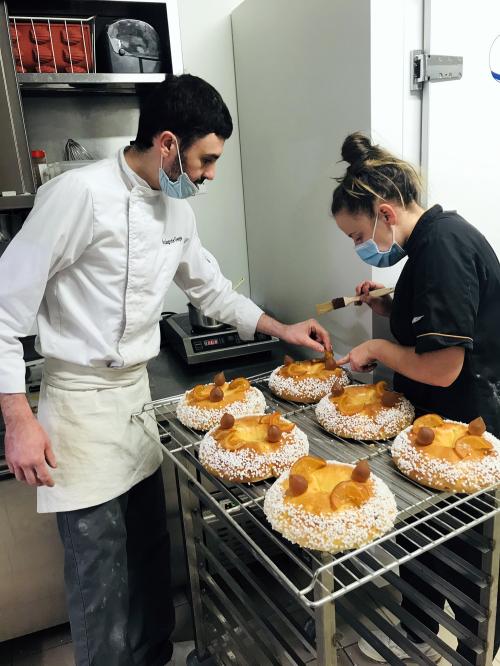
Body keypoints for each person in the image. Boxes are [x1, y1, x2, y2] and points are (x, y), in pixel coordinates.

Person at [0, 74, 331, 666]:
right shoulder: (79, 195)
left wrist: (283, 329)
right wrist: (17, 417)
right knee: (99, 570)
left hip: (136, 399)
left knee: (151, 550)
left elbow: (209, 288)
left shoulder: (175, 209)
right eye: (206, 160)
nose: (208, 176)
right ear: (170, 143)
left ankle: (153, 656)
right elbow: (4, 307)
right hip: (77, 405)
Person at [331, 132, 500, 663]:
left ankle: (472, 648)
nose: (360, 247)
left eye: (358, 234)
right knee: (425, 538)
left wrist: (378, 346)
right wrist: (389, 309)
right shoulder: (426, 246)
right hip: (434, 421)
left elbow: (444, 366)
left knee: (466, 547)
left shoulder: (444, 247)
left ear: (384, 212)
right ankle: (418, 638)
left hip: (466, 423)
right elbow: (433, 327)